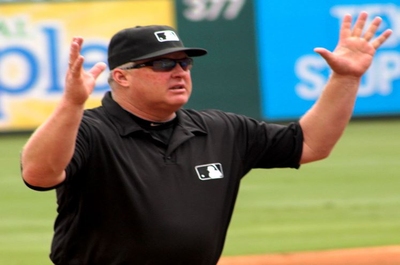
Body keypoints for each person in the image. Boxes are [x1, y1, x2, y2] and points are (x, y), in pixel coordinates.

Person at [20, 12, 392, 265]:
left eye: (185, 63)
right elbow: (38, 172)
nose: (179, 71)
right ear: (121, 76)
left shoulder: (220, 129)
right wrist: (71, 104)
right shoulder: (88, 130)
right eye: (163, 64)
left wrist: (346, 79)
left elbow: (311, 144)